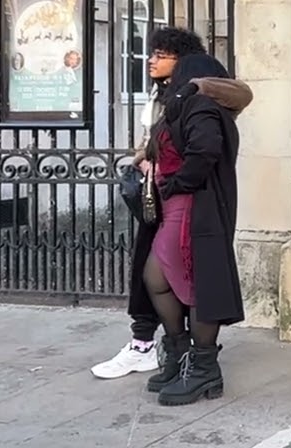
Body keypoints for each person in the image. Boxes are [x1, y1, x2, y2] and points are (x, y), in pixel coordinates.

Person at [129, 42, 252, 406]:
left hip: (190, 207)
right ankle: (182, 353)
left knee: (195, 284)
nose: (153, 60)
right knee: (158, 277)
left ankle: (203, 368)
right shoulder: (181, 106)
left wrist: (178, 181)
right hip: (177, 205)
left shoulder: (200, 105)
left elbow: (205, 149)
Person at [90, 27, 207, 380]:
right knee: (149, 266)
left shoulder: (192, 98)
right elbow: (152, 140)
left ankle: (181, 352)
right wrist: (141, 158)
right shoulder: (159, 96)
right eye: (152, 53)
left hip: (179, 196)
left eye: (161, 54)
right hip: (155, 193)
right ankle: (151, 344)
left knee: (171, 272)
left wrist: (162, 168)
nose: (151, 60)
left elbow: (197, 148)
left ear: (181, 59)